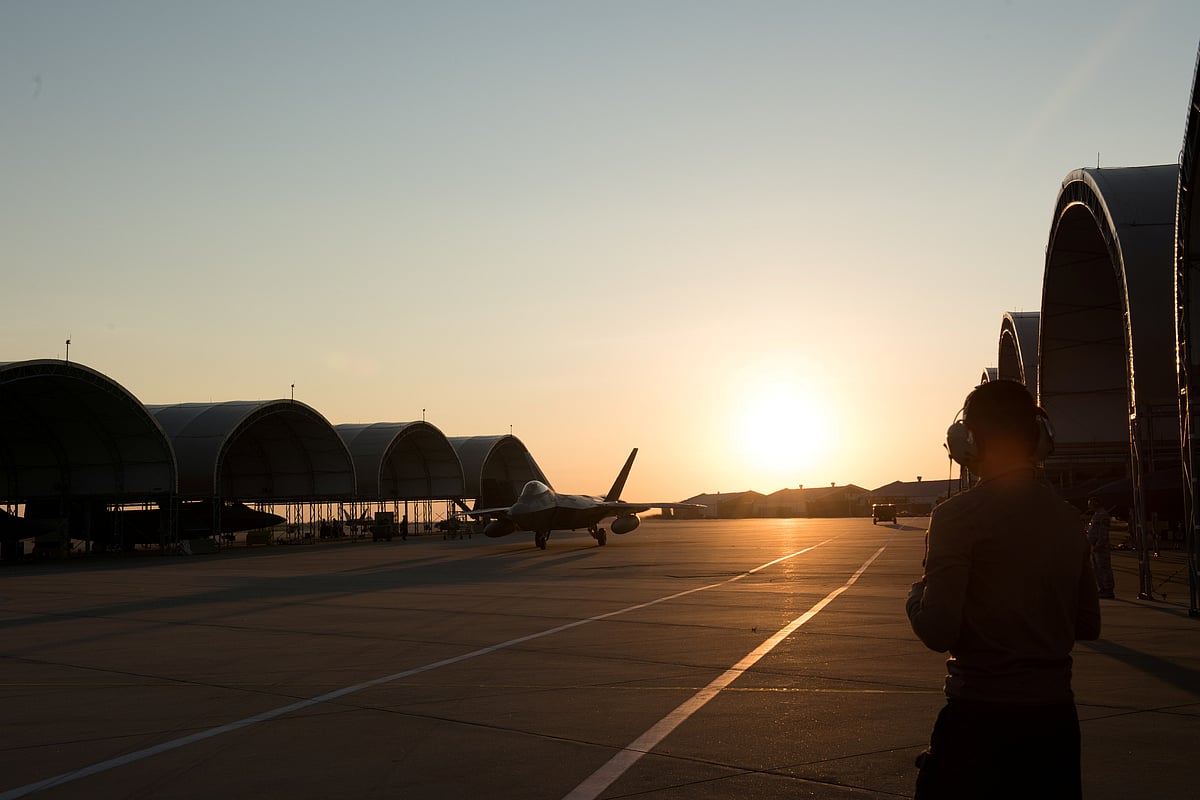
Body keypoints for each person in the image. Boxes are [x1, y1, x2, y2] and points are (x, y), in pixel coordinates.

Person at [906, 379, 1101, 799]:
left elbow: (938, 630)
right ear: (1039, 440)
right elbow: (1087, 623)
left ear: (970, 440)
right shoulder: (1069, 520)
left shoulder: (956, 518)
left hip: (978, 722)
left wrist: (916, 595)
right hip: (1054, 727)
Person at [1086, 497, 1115, 598]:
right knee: (1097, 569)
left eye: (1090, 503)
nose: (1089, 505)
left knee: (1104, 568)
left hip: (1101, 547)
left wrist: (1099, 544)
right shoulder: (1096, 514)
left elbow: (1103, 532)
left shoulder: (1103, 515)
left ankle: (1108, 590)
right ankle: (1102, 589)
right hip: (1095, 547)